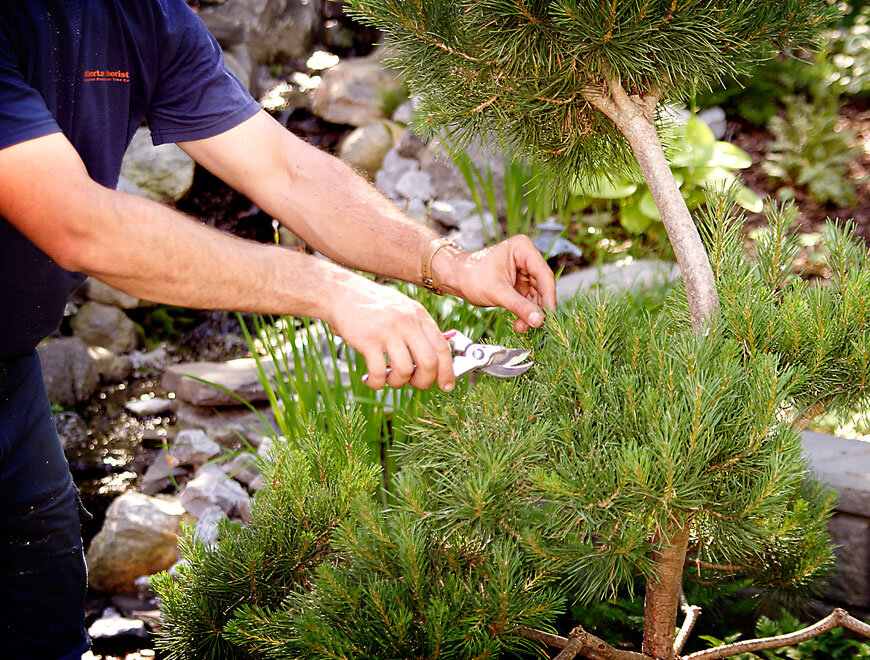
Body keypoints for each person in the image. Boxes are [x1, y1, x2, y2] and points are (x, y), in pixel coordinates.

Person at [0, 1, 556, 658]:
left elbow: (284, 169)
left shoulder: (145, 15)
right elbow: (75, 223)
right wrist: (329, 289)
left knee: (41, 623)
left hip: (11, 380)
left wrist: (449, 263)